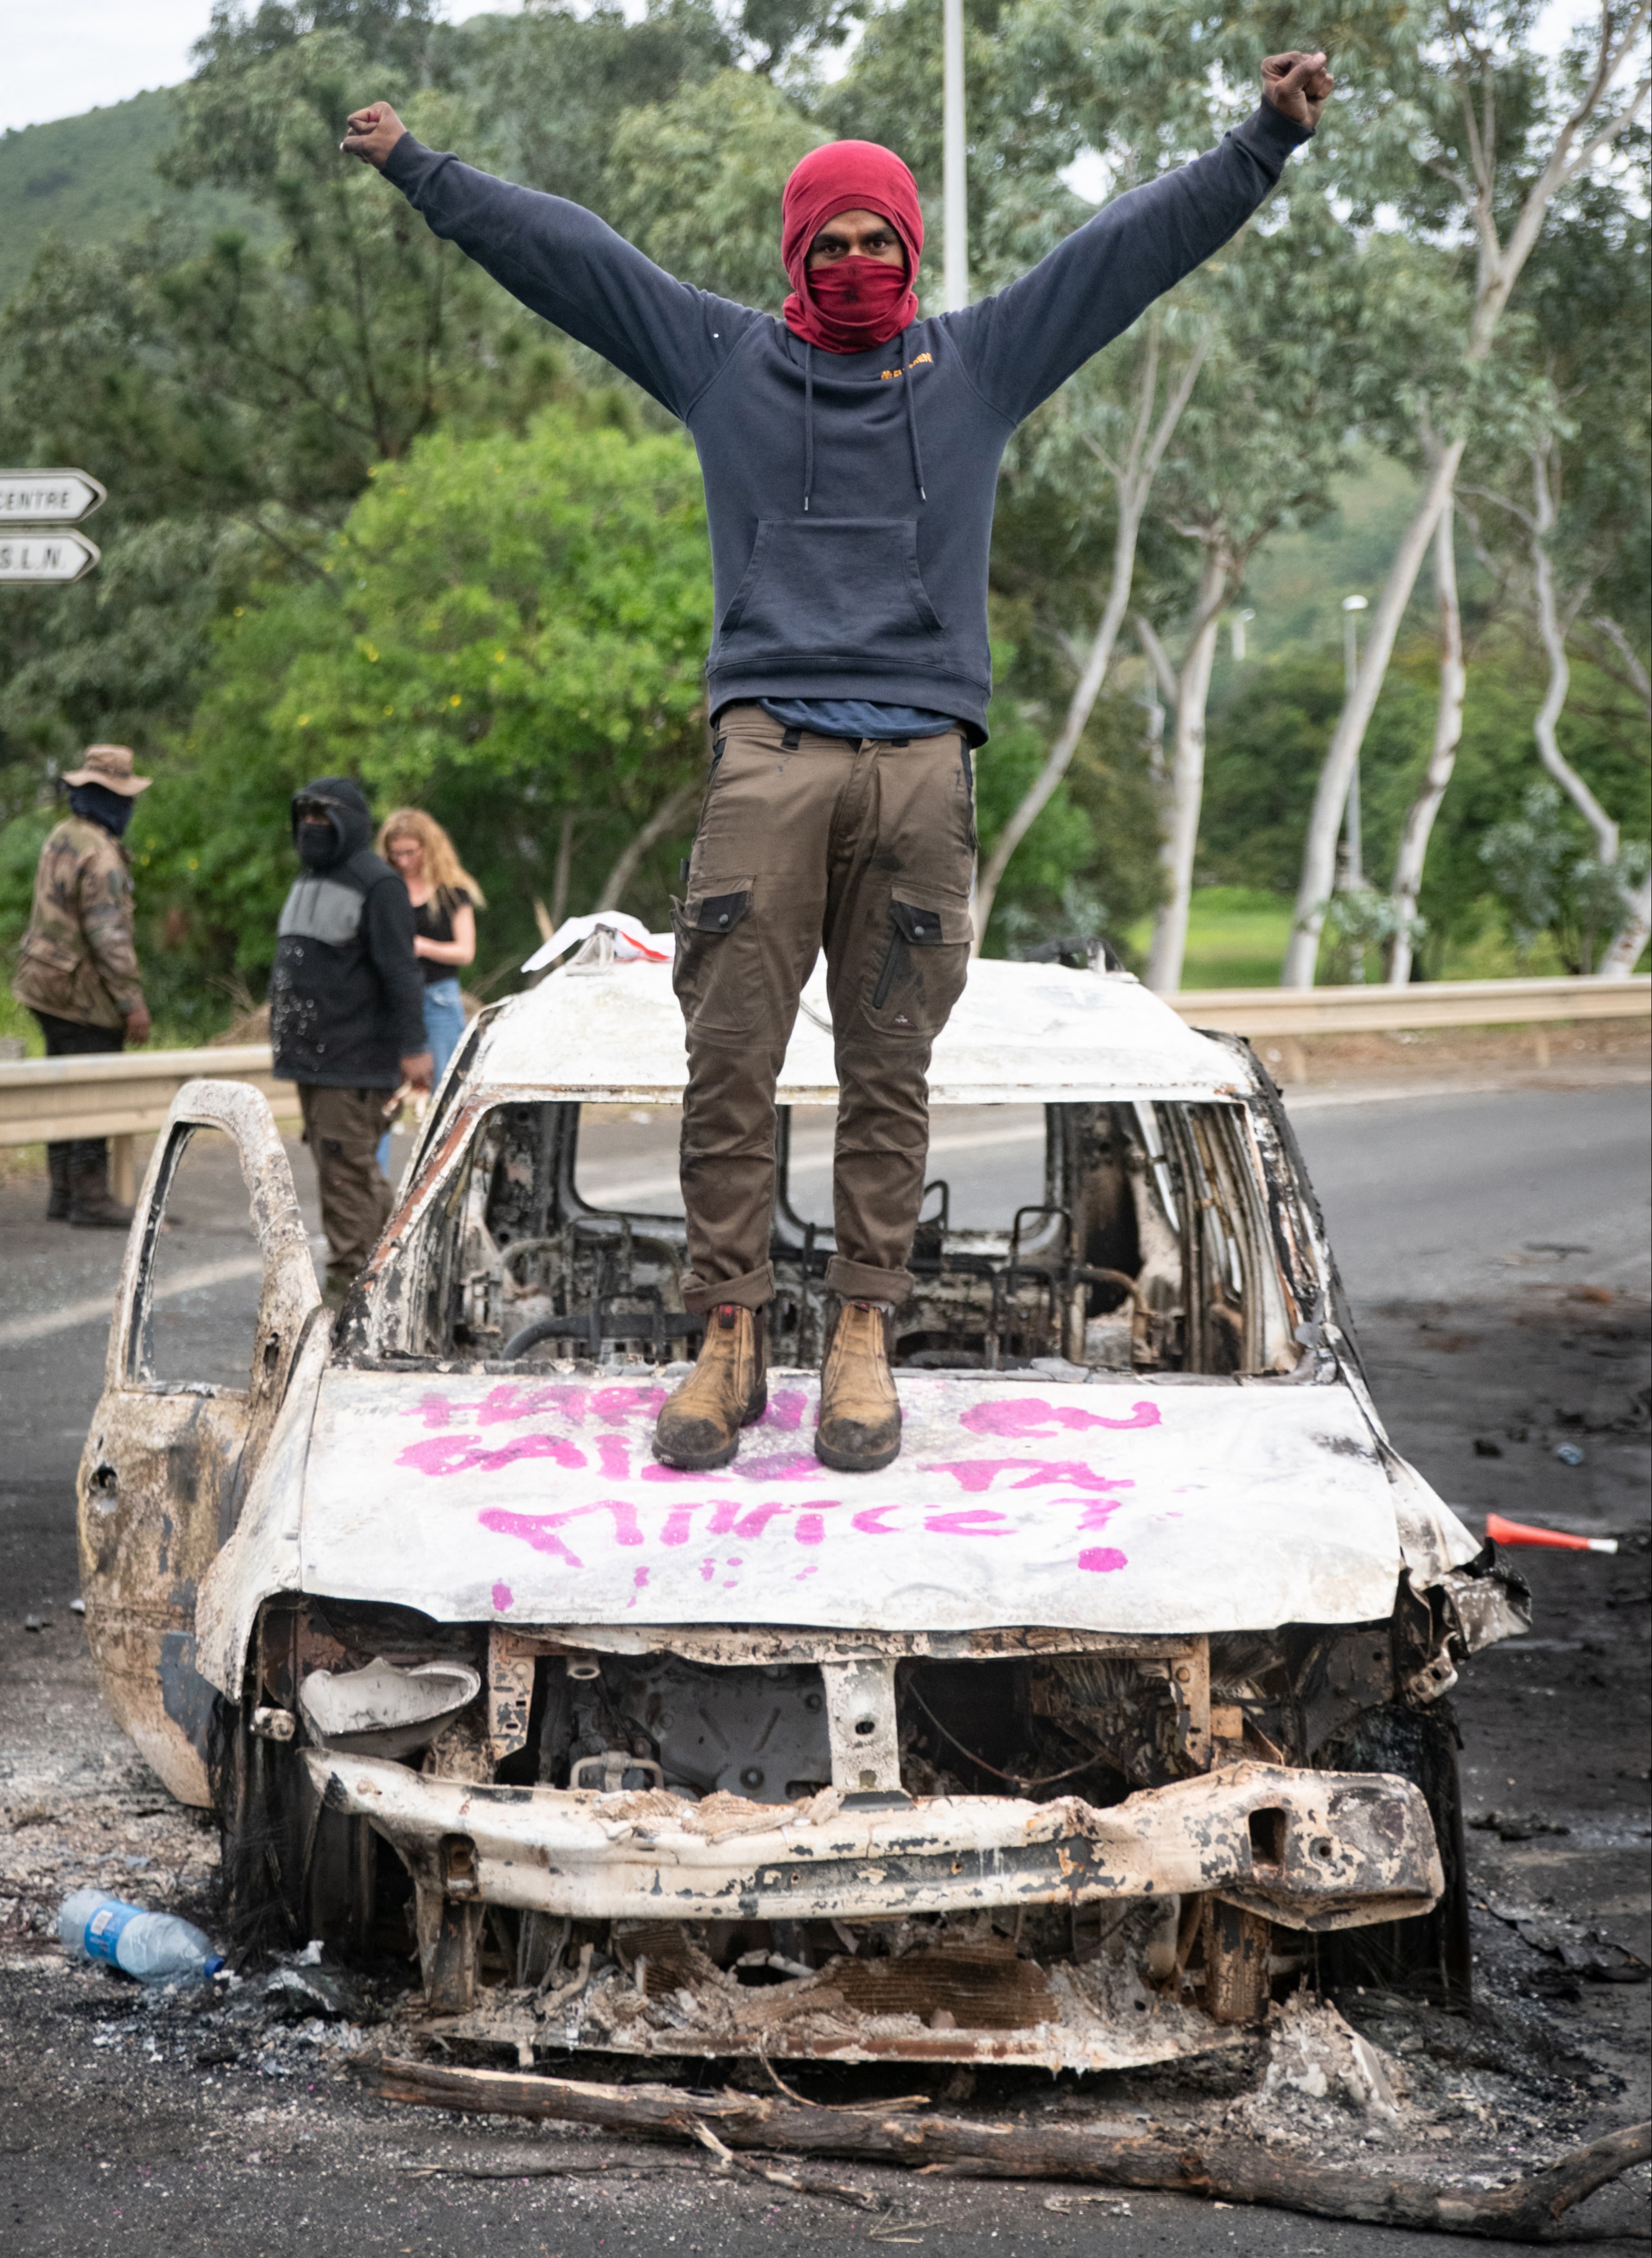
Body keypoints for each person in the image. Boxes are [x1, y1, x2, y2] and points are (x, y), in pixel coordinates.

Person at [343, 51, 1332, 1470]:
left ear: (910, 249)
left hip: (924, 762)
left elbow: (1127, 250)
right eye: (832, 241)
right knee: (728, 1058)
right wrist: (422, 168)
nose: (857, 259)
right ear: (796, 251)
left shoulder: (978, 364)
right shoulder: (725, 360)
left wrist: (1262, 143)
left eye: (879, 239)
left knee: (890, 1071)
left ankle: (860, 1339)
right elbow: (572, 259)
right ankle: (728, 1337)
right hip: (770, 753)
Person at [269, 777, 432, 1306]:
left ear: (352, 823)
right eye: (307, 816)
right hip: (314, 1062)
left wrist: (414, 1047)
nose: (314, 827)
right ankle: (388, 1280)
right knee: (346, 1172)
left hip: (354, 1058)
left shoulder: (377, 883)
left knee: (348, 1177)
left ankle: (353, 1296)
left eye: (326, 817)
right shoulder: (310, 878)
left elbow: (401, 970)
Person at [12, 744, 153, 1227]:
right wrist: (132, 1004)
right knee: (94, 1087)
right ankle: (91, 1197)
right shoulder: (102, 857)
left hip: (40, 982)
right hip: (81, 995)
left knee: (61, 1084)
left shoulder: (62, 835)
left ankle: (62, 1192)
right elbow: (109, 938)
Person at [373, 808, 484, 1174]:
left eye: (411, 852)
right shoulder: (384, 890)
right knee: (382, 1097)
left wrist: (418, 946)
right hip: (389, 1000)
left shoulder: (451, 891)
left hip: (438, 997)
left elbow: (465, 951)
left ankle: (445, 1181)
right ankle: (375, 1189)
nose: (403, 861)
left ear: (428, 847)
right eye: (396, 854)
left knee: (449, 1099)